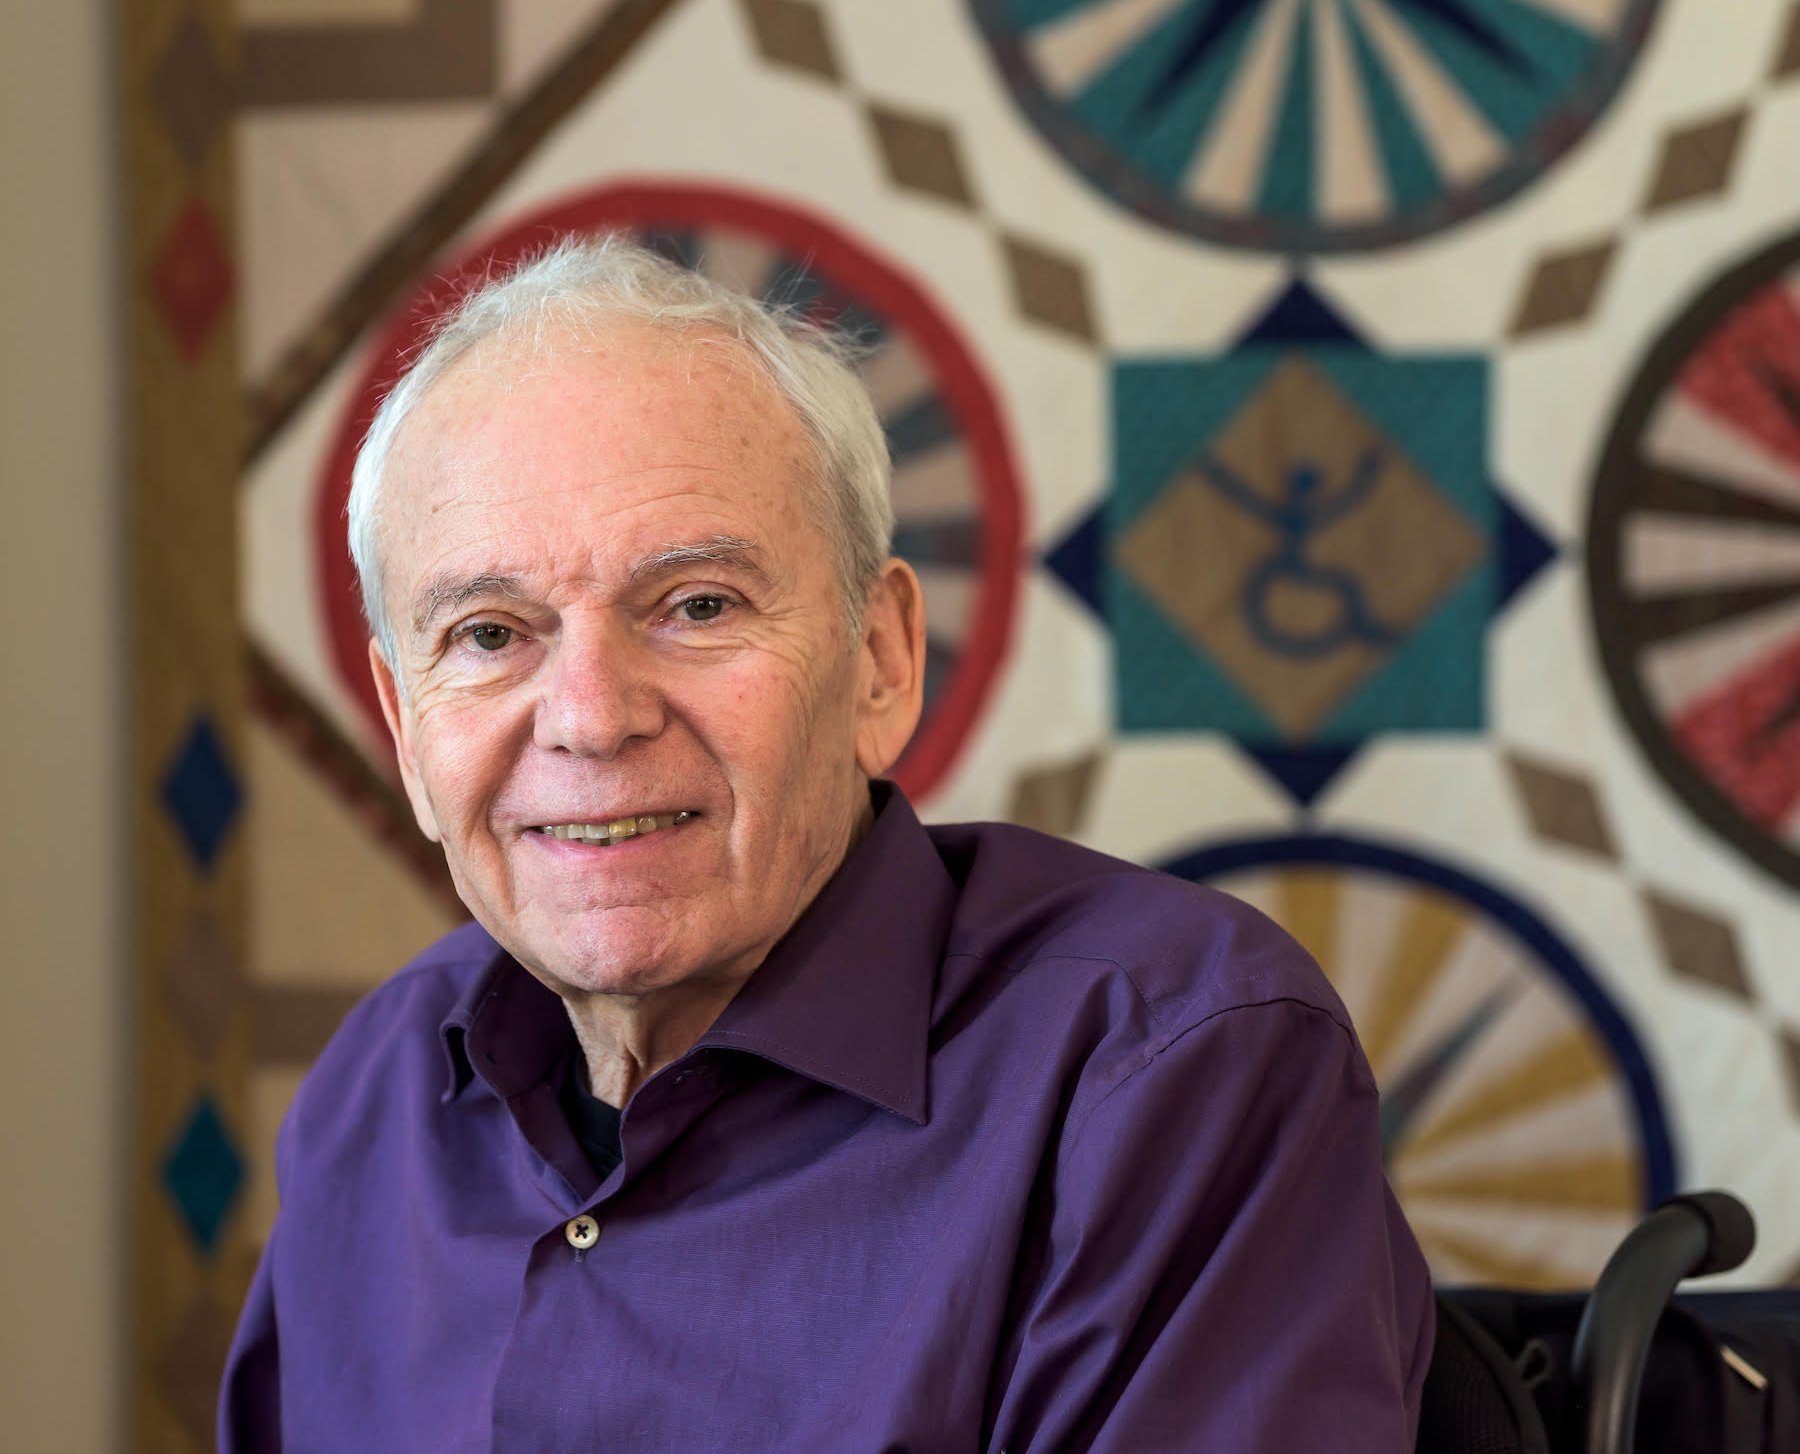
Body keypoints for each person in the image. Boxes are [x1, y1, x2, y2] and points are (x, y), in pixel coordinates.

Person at [219, 235, 1434, 1452]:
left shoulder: (1166, 1069)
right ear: (403, 724)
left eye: (697, 605)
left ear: (882, 661)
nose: (592, 717)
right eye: (489, 634)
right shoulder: (374, 1095)